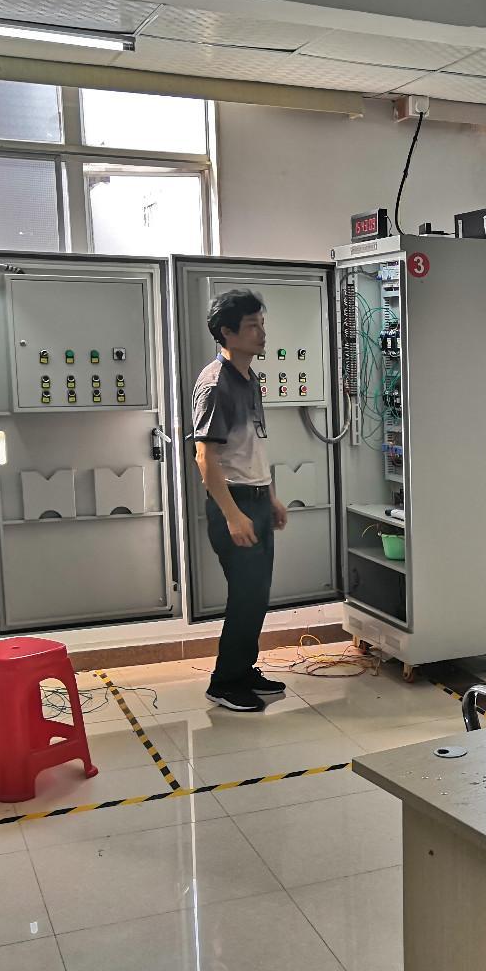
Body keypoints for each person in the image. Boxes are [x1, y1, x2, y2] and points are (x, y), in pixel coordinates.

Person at [192, 289, 289, 713]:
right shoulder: (216, 384)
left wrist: (271, 497)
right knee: (245, 596)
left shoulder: (249, 378)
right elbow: (205, 456)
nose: (261, 333)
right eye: (252, 326)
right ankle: (224, 682)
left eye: (261, 324)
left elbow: (254, 446)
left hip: (256, 498)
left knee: (256, 594)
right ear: (227, 332)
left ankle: (244, 670)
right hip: (234, 502)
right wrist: (232, 514)